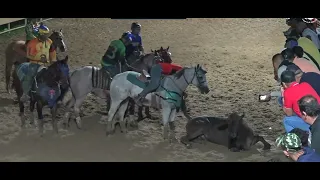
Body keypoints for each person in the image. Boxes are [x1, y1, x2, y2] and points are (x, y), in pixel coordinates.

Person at [21, 25, 57, 102]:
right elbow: (29, 55)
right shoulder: (32, 43)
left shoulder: (49, 42)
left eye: (47, 34)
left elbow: (52, 52)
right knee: (29, 77)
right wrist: (40, 58)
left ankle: (53, 93)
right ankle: (25, 94)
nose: (47, 36)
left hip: (45, 64)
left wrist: (53, 61)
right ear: (40, 34)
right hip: (34, 63)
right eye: (45, 34)